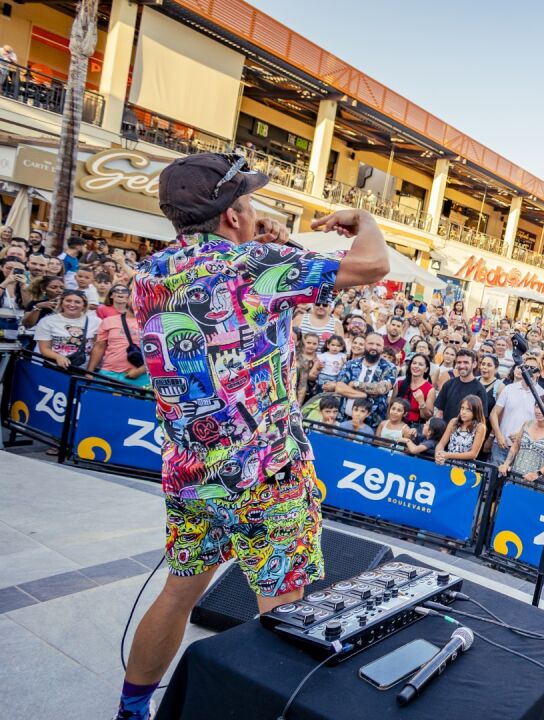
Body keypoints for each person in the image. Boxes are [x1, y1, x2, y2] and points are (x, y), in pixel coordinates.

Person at [118, 151, 388, 720]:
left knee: (179, 592)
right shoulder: (254, 265)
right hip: (267, 476)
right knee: (283, 619)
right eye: (249, 200)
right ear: (233, 215)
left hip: (190, 473)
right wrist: (362, 220)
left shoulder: (149, 274)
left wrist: (265, 245)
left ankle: (132, 709)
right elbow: (372, 265)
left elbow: (225, 302)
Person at [333, 332, 397, 424]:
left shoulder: (389, 367)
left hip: (372, 422)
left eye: (378, 345)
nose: (374, 347)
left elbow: (381, 388)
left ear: (382, 348)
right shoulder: (351, 364)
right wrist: (364, 395)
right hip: (344, 419)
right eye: (371, 343)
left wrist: (355, 384)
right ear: (365, 345)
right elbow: (339, 388)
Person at [87, 293, 148, 388]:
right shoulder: (109, 321)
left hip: (139, 377)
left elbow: (159, 354)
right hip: (108, 374)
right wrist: (89, 372)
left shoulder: (153, 324)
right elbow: (99, 347)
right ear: (127, 299)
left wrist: (140, 371)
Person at [489, 360, 543, 466]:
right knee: (493, 475)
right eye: (525, 367)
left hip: (524, 448)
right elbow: (494, 414)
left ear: (538, 373)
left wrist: (521, 434)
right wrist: (498, 436)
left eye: (533, 368)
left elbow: (541, 423)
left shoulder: (542, 394)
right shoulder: (509, 389)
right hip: (501, 445)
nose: (528, 370)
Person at [499, 395, 544, 483]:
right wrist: (506, 464)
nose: (539, 411)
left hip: (535, 482)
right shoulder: (527, 424)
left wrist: (537, 474)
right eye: (537, 407)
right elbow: (515, 446)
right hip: (515, 477)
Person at [33, 290, 98, 370]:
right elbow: (44, 349)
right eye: (68, 301)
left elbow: (98, 348)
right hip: (54, 367)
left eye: (77, 302)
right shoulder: (47, 321)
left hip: (82, 368)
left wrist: (90, 369)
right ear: (62, 302)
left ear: (84, 305)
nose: (72, 304)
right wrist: (57, 357)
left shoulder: (96, 322)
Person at [435, 394, 486, 464]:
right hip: (448, 464)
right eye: (462, 408)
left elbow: (473, 454)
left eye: (468, 410)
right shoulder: (453, 422)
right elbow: (441, 444)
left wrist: (448, 455)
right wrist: (438, 455)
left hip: (465, 467)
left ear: (476, 411)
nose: (463, 412)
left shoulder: (480, 427)